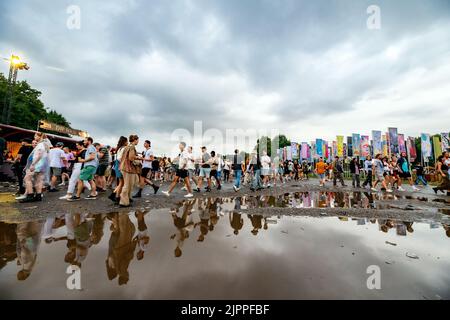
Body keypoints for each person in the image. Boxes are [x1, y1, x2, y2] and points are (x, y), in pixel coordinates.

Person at [19, 132, 51, 203]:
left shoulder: (40, 145)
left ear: (39, 137)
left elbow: (39, 155)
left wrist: (33, 164)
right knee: (39, 180)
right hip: (43, 165)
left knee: (27, 178)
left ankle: (30, 195)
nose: (34, 137)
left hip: (37, 164)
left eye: (35, 136)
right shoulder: (45, 145)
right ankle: (38, 196)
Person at [67, 137, 98, 201]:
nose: (83, 142)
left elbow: (92, 157)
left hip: (89, 165)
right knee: (90, 180)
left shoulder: (90, 147)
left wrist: (83, 161)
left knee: (80, 179)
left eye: (85, 141)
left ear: (89, 141)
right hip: (92, 165)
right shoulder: (91, 147)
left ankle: (77, 196)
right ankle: (93, 194)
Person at [118, 135, 141, 207]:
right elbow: (131, 158)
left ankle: (126, 199)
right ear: (135, 140)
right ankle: (123, 202)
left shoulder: (127, 147)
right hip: (128, 168)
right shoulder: (132, 147)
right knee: (127, 185)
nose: (138, 141)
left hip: (124, 167)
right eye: (138, 140)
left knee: (128, 184)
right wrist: (138, 157)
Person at [109, 136, 128, 204]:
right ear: (124, 142)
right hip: (120, 165)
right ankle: (116, 197)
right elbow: (120, 159)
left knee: (121, 182)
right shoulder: (123, 148)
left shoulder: (119, 148)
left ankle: (115, 196)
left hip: (117, 165)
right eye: (127, 141)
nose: (127, 143)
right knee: (121, 183)